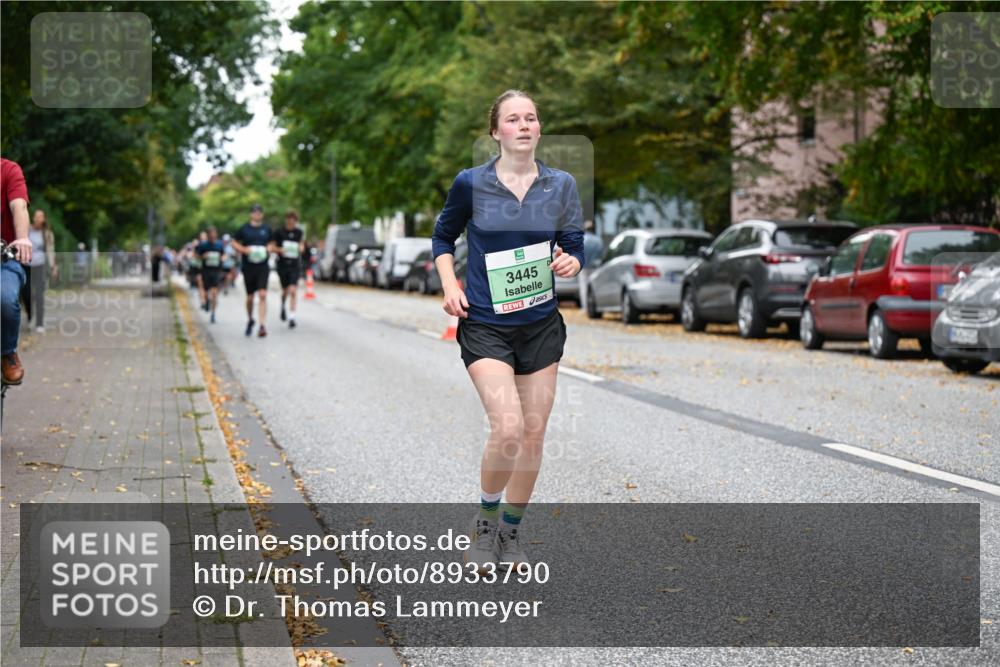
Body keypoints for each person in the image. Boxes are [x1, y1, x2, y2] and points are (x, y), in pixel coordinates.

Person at [431, 90, 584, 574]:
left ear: (539, 129)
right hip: (486, 326)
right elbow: (442, 237)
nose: (523, 125)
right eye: (513, 119)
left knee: (534, 434)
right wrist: (450, 283)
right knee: (510, 427)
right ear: (496, 132)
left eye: (531, 118)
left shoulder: (560, 186)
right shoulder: (470, 184)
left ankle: (512, 534)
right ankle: (484, 522)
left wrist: (571, 260)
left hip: (539, 324)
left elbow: (574, 243)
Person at [1, 158, 33, 385]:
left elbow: (18, 205)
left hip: (5, 257)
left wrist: (22, 238)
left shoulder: (9, 170)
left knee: (4, 299)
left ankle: (7, 352)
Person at [231, 203, 272, 337]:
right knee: (250, 297)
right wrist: (243, 250)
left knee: (262, 294)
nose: (257, 214)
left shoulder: (267, 229)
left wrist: (269, 248)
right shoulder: (244, 229)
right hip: (248, 266)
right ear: (251, 214)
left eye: (259, 212)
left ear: (262, 214)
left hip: (263, 266)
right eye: (254, 212)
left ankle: (262, 325)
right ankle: (250, 319)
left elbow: (272, 243)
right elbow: (234, 242)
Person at [270, 209, 305, 328]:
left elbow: (302, 244)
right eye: (289, 220)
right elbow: (271, 247)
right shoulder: (279, 232)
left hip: (295, 265)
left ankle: (292, 317)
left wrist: (301, 247)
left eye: (294, 221)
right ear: (286, 220)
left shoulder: (299, 232)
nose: (291, 223)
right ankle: (283, 303)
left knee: (293, 290)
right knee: (285, 291)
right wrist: (280, 250)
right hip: (282, 265)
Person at [27, 208, 57, 333]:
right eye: (36, 216)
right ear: (33, 217)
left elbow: (51, 251)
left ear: (44, 219)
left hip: (40, 266)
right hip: (26, 265)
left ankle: (39, 323)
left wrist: (53, 266)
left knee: (39, 295)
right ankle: (30, 318)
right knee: (28, 295)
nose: (38, 218)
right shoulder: (26, 230)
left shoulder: (48, 234)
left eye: (41, 216)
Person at [196, 226, 225, 324]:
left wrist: (222, 258)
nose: (213, 237)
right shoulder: (203, 246)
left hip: (216, 271)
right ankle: (207, 301)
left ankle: (213, 313)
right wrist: (203, 256)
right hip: (206, 271)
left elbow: (223, 255)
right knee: (206, 290)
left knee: (214, 293)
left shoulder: (219, 245)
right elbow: (196, 256)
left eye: (214, 235)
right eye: (211, 235)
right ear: (208, 236)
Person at [578, 219, 603, 306]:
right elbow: (601, 254)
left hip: (584, 267)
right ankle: (595, 306)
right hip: (595, 267)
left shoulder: (582, 239)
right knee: (594, 288)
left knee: (584, 288)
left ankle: (585, 307)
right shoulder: (598, 240)